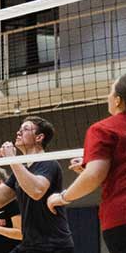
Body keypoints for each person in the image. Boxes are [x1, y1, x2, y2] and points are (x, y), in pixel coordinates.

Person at [47, 75, 126, 253]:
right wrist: (89, 169)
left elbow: (94, 175)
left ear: (118, 100)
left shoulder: (103, 129)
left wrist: (63, 197)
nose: (108, 96)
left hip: (121, 218)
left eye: (110, 91)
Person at [0, 116, 73, 253]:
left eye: (25, 129)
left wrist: (12, 159)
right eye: (19, 130)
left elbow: (36, 191)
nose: (18, 133)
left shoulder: (48, 163)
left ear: (39, 137)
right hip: (29, 244)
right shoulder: (20, 171)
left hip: (54, 245)